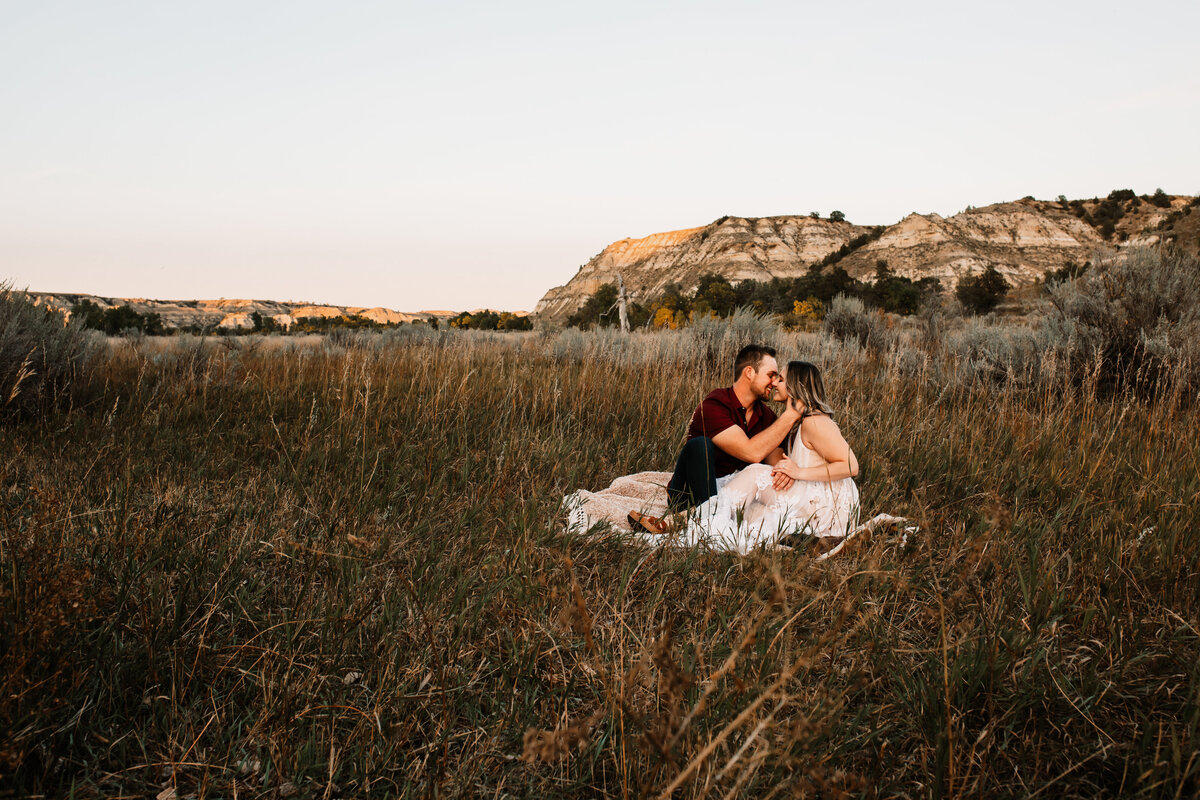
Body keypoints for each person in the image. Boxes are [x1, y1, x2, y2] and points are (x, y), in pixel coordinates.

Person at [634, 361, 861, 553]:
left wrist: (798, 472)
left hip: (828, 503)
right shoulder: (792, 422)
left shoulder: (815, 421)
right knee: (752, 513)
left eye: (780, 379)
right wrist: (786, 469)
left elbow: (851, 466)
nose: (774, 383)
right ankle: (698, 523)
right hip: (809, 492)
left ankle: (677, 523)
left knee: (754, 474)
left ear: (795, 387)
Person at [628, 344, 801, 534]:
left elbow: (774, 463)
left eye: (777, 377)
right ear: (749, 372)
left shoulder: (767, 417)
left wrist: (784, 469)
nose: (775, 382)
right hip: (691, 494)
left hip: (733, 497)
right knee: (699, 445)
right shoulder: (714, 405)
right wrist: (791, 414)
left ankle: (705, 520)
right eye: (771, 375)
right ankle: (706, 521)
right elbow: (751, 452)